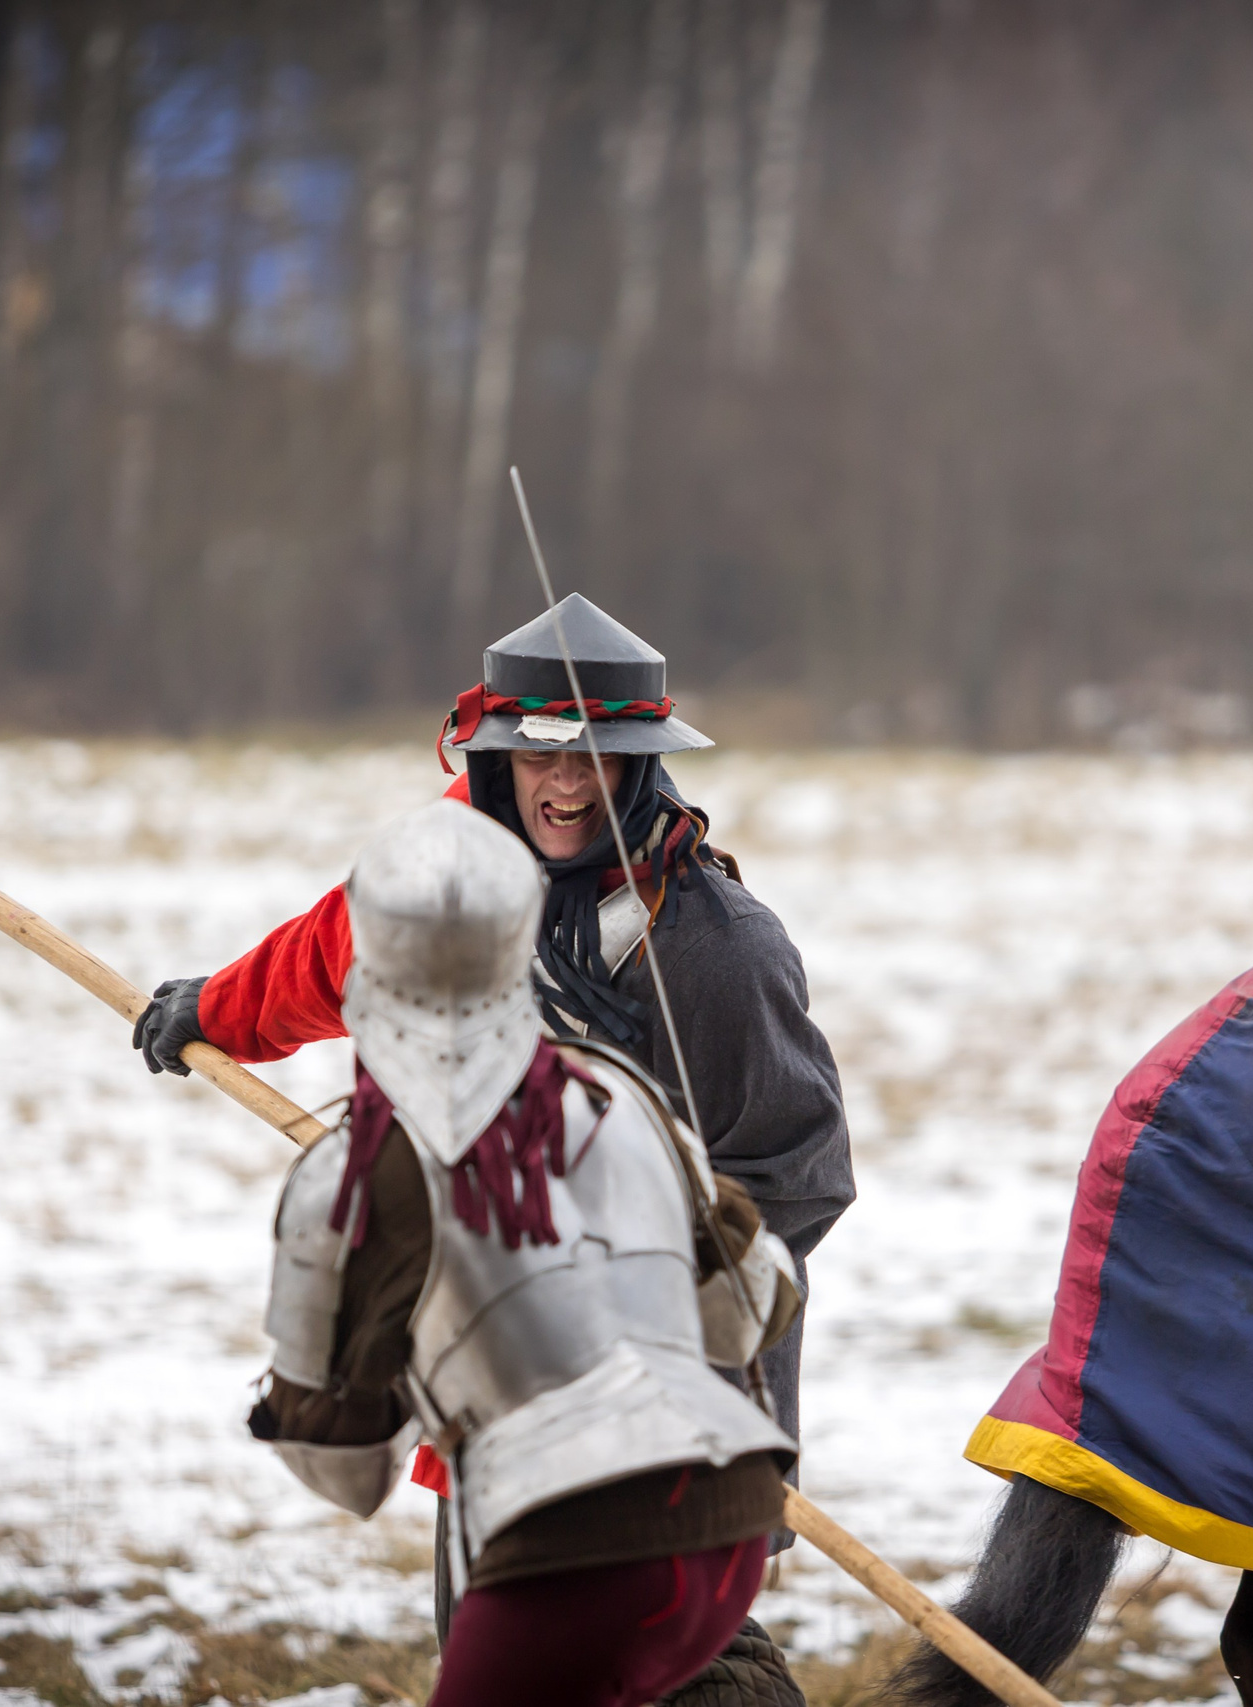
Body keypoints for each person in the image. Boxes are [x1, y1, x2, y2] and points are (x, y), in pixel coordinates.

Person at [135, 594, 854, 1703]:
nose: (565, 786)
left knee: (662, 1670)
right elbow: (337, 947)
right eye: (537, 759)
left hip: (675, 1412)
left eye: (597, 763)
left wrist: (632, 1272)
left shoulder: (714, 950)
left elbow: (796, 1177)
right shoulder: (457, 899)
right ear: (493, 761)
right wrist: (215, 1012)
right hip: (491, 1421)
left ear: (641, 769)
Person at [245, 799, 801, 1706]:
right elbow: (753, 1301)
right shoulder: (621, 1091)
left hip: (568, 1550)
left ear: (369, 964)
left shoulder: (351, 1173)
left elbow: (346, 1470)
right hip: (729, 1512)